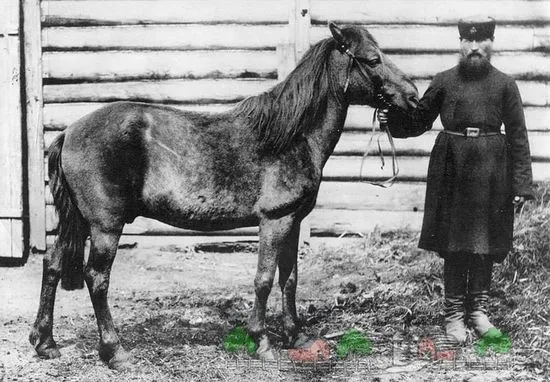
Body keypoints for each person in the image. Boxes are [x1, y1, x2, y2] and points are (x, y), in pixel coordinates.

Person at [378, 16, 534, 343]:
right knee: (454, 243)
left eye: (481, 41)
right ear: (460, 43)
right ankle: (453, 315)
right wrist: (390, 120)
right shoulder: (444, 81)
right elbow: (419, 120)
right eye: (467, 41)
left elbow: (518, 136)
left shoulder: (505, 85)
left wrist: (520, 184)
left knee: (484, 243)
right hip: (452, 167)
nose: (474, 48)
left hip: (493, 171)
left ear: (491, 43)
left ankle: (477, 312)